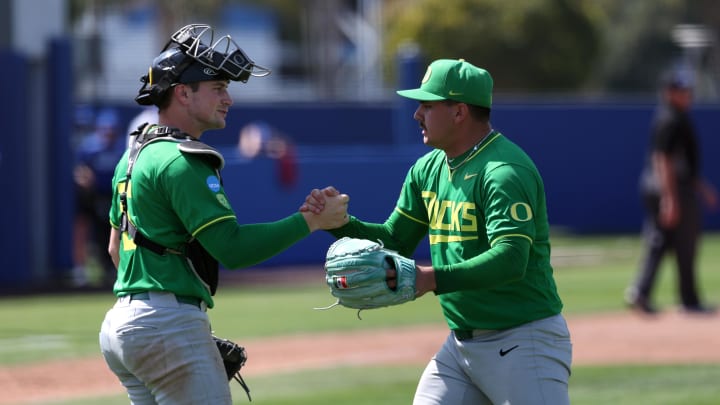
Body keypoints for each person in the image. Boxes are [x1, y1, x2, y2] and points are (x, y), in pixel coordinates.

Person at [98, 24, 349, 405]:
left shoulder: (134, 154)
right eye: (218, 88)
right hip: (165, 323)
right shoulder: (181, 160)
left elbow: (116, 249)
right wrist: (312, 221)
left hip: (121, 324)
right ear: (183, 93)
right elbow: (232, 249)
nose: (228, 98)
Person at [303, 59, 572, 405]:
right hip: (460, 348)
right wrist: (339, 225)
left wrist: (429, 278)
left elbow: (511, 259)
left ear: (459, 112)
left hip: (523, 342)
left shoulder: (504, 171)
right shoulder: (427, 170)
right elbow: (395, 239)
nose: (417, 114)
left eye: (427, 106)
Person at [626, 68, 718, 315]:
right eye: (682, 90)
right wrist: (670, 198)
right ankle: (690, 300)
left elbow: (683, 162)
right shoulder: (671, 119)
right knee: (685, 242)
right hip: (670, 188)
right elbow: (663, 159)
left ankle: (640, 292)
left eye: (688, 89)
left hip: (667, 186)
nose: (687, 94)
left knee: (660, 239)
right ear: (669, 92)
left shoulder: (675, 116)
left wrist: (701, 186)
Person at [72, 107, 126, 287]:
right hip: (93, 196)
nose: (109, 134)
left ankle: (112, 268)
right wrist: (87, 180)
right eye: (105, 130)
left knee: (113, 232)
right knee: (86, 229)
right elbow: (80, 172)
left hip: (114, 197)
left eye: (111, 130)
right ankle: (82, 269)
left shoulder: (121, 149)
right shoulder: (90, 148)